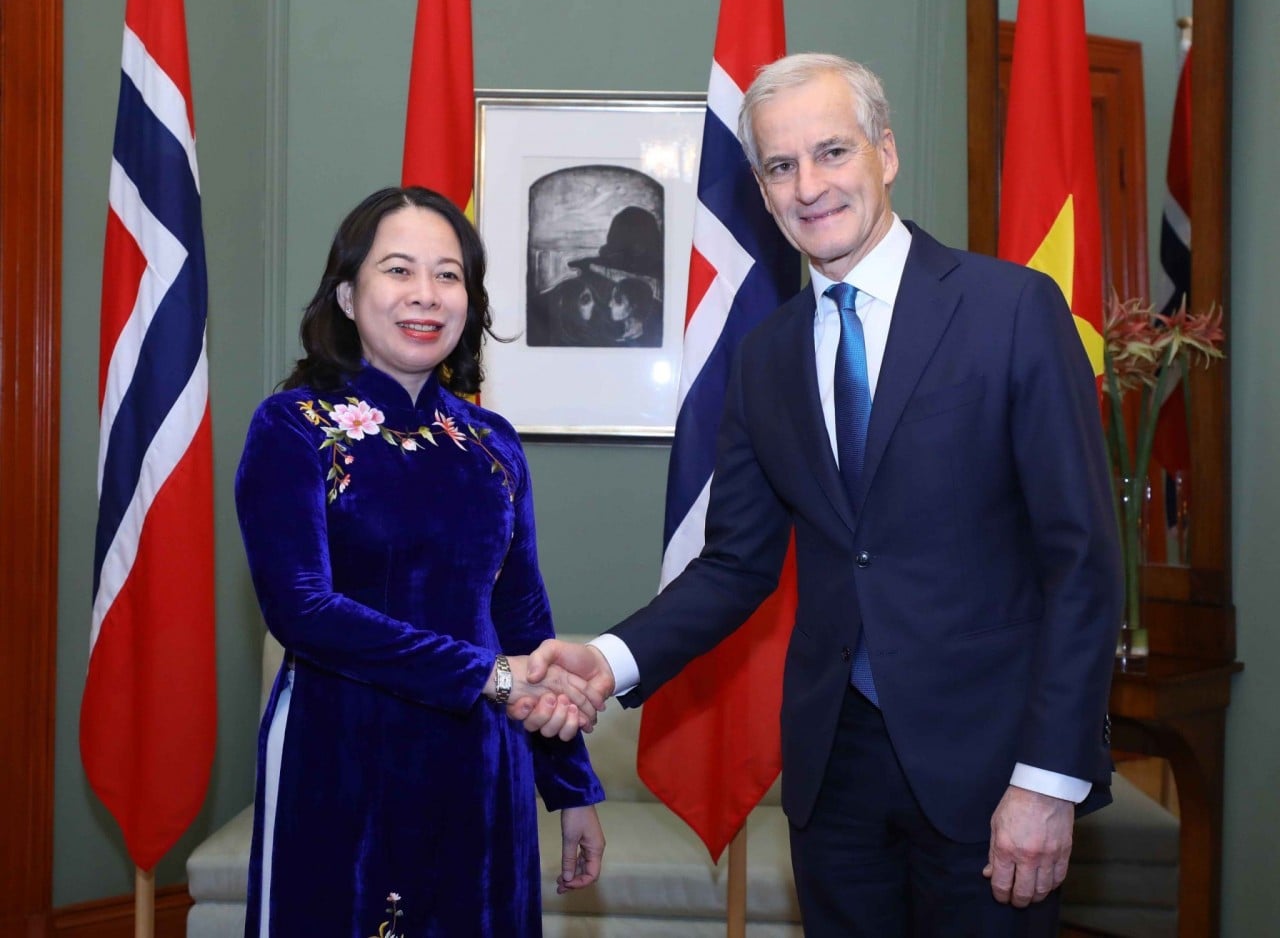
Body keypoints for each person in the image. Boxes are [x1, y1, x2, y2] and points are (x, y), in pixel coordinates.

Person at [522, 54, 1122, 936]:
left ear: (885, 152)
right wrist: (608, 660)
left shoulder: (1012, 310)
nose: (809, 185)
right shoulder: (763, 357)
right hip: (833, 781)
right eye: (779, 165)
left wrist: (1047, 778)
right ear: (762, 193)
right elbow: (734, 564)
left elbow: (1083, 563)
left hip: (994, 773)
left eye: (832, 152)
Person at [234, 186, 605, 937]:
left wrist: (571, 789)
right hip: (338, 753)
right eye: (398, 270)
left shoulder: (493, 442)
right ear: (346, 292)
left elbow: (524, 621)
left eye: (448, 275)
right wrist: (487, 675)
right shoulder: (292, 426)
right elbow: (300, 610)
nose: (426, 295)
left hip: (481, 762)